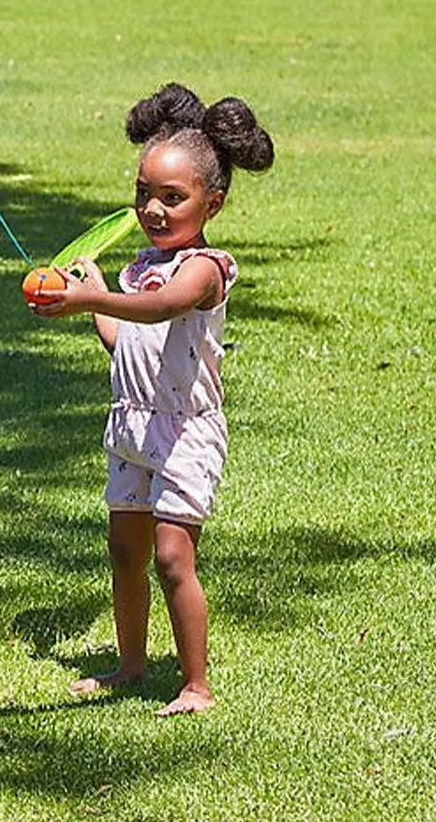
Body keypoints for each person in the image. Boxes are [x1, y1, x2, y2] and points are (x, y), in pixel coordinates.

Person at [29, 83, 274, 716]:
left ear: (211, 203)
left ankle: (196, 684)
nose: (154, 210)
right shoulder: (139, 268)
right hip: (133, 426)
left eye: (173, 198)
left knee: (171, 556)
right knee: (125, 551)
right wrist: (92, 297)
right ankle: (132, 664)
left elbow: (164, 307)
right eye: (144, 195)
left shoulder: (206, 269)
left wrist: (96, 298)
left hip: (187, 432)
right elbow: (126, 338)